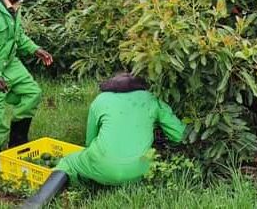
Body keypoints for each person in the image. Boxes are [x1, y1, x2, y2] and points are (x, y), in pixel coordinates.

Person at [21, 73, 187, 208]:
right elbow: (179, 135)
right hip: (140, 170)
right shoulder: (153, 99)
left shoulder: (100, 100)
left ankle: (34, 204)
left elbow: (89, 140)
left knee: (68, 162)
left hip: (101, 166)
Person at [0, 0, 53, 166]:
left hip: (9, 62)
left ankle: (17, 142)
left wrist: (36, 50)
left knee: (32, 92)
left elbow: (18, 36)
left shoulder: (14, 5)